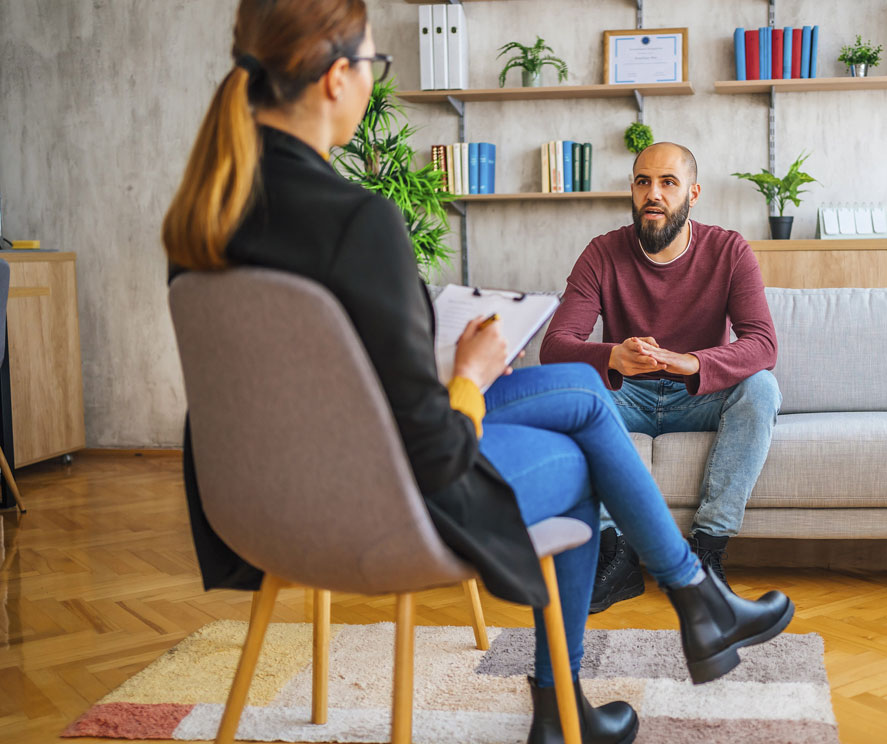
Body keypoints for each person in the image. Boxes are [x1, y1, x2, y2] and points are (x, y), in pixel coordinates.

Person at [162, 3, 794, 742]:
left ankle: (691, 600)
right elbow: (433, 445)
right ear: (337, 79)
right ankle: (616, 665)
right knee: (585, 456)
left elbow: (326, 386)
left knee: (587, 397)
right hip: (382, 501)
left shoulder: (205, 212)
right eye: (374, 66)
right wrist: (466, 369)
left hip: (261, 503)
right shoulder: (356, 220)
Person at [540, 142, 782, 613]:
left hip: (698, 398)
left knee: (761, 388)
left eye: (668, 183)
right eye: (643, 182)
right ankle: (618, 556)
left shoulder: (729, 250)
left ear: (692, 193)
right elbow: (556, 345)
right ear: (632, 190)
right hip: (625, 395)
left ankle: (706, 555)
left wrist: (695, 363)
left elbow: (763, 344)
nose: (654, 194)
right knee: (573, 392)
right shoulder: (602, 253)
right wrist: (612, 356)